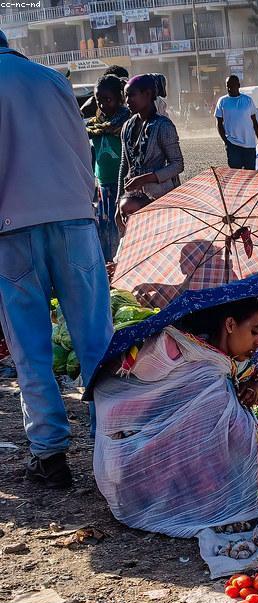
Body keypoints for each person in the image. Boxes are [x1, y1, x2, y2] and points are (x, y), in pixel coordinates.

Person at [92, 297, 258, 537]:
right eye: (255, 331)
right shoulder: (200, 369)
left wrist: (255, 388)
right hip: (151, 471)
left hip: (150, 470)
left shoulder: (213, 355)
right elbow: (247, 437)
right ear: (230, 324)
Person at [0, 40, 114, 487]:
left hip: (13, 231)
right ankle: (111, 444)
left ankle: (50, 456)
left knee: (31, 350)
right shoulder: (53, 80)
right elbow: (82, 149)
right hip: (75, 221)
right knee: (96, 342)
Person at [116, 74, 184, 212]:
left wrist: (146, 179)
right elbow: (124, 166)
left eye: (132, 95)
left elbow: (177, 165)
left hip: (160, 197)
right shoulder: (127, 126)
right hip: (131, 198)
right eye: (126, 96)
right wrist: (119, 201)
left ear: (147, 94)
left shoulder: (163, 126)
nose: (127, 101)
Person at [86, 73, 131, 262]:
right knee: (104, 229)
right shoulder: (93, 125)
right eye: (99, 100)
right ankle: (107, 267)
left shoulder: (127, 122)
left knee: (119, 228)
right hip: (103, 187)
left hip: (122, 185)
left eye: (108, 99)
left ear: (119, 98)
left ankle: (120, 264)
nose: (103, 105)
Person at [215, 75, 258, 170]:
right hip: (232, 144)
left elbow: (254, 121)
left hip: (249, 144)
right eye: (228, 85)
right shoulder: (222, 101)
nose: (229, 88)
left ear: (238, 85)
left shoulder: (248, 100)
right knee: (235, 173)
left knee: (250, 174)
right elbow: (219, 123)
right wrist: (226, 141)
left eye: (232, 85)